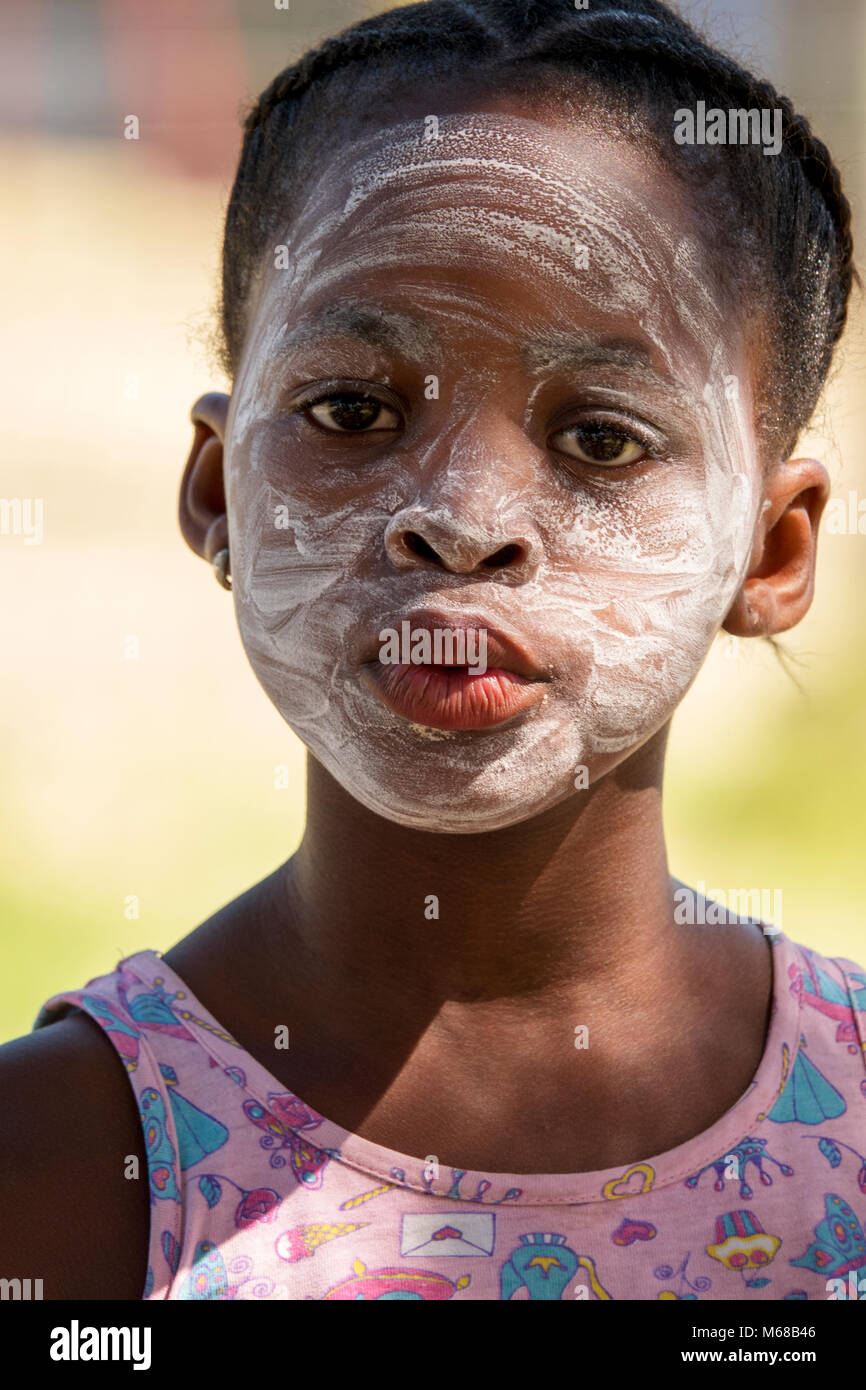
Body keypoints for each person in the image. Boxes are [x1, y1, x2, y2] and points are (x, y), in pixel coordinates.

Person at [2, 0, 863, 1302]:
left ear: (771, 550)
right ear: (218, 489)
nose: (460, 519)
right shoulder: (59, 1163)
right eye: (352, 408)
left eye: (601, 439)